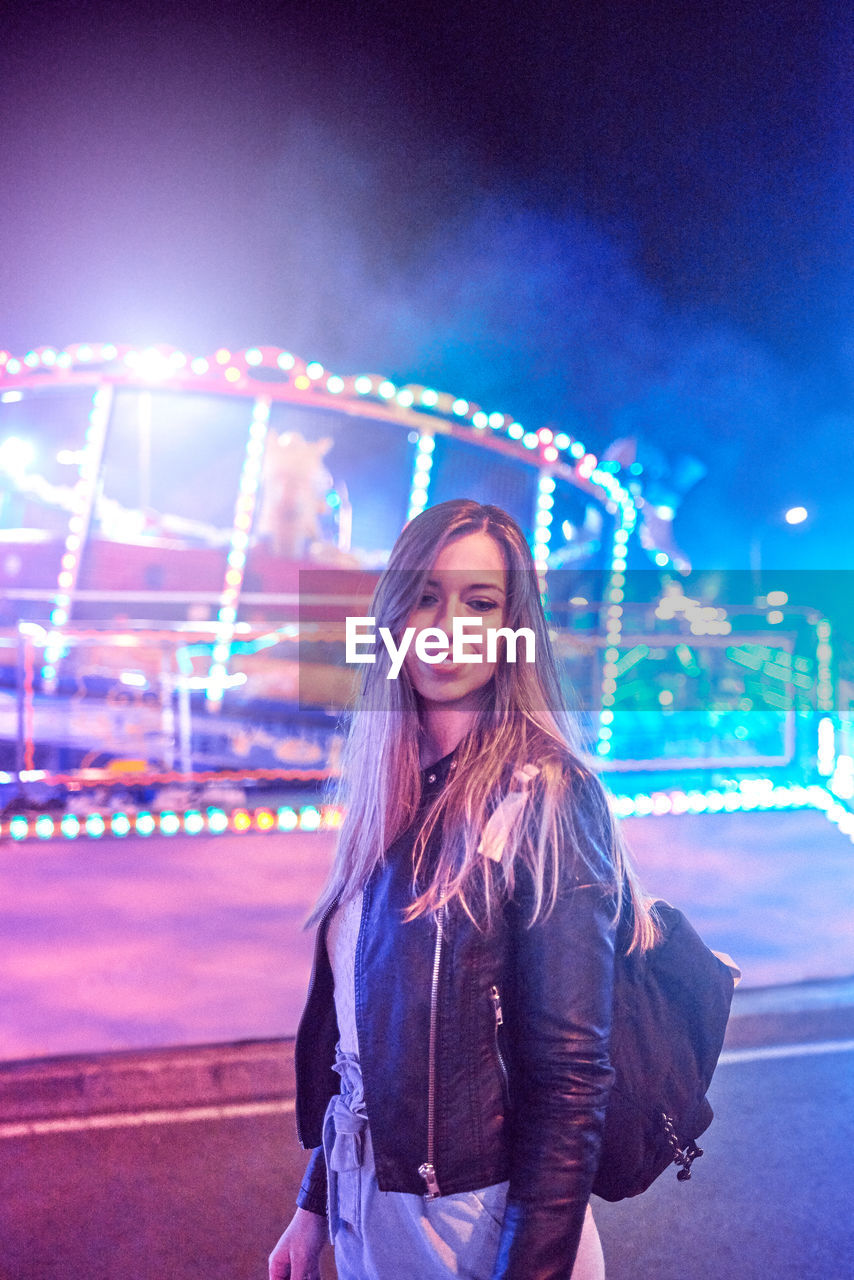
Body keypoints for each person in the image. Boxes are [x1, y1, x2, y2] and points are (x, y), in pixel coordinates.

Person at [269, 499, 658, 1280]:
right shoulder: (393, 791)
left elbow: (572, 1080)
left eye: (480, 602)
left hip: (478, 1225)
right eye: (426, 596)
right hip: (370, 1204)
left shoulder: (543, 793)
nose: (448, 625)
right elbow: (364, 1045)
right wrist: (316, 1204)